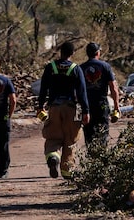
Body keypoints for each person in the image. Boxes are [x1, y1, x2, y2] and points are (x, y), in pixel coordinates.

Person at [36, 41, 89, 179]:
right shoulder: (76, 69)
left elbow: (43, 89)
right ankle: (67, 172)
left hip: (54, 108)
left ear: (60, 51)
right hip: (70, 109)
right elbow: (82, 92)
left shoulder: (50, 67)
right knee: (70, 140)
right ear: (72, 53)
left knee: (53, 137)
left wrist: (40, 106)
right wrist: (86, 111)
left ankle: (53, 157)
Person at [80, 42, 120, 148]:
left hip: (87, 105)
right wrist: (116, 107)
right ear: (98, 52)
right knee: (102, 132)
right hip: (102, 104)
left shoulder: (81, 68)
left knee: (89, 133)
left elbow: (77, 89)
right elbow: (113, 88)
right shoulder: (105, 66)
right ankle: (101, 156)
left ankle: (91, 156)